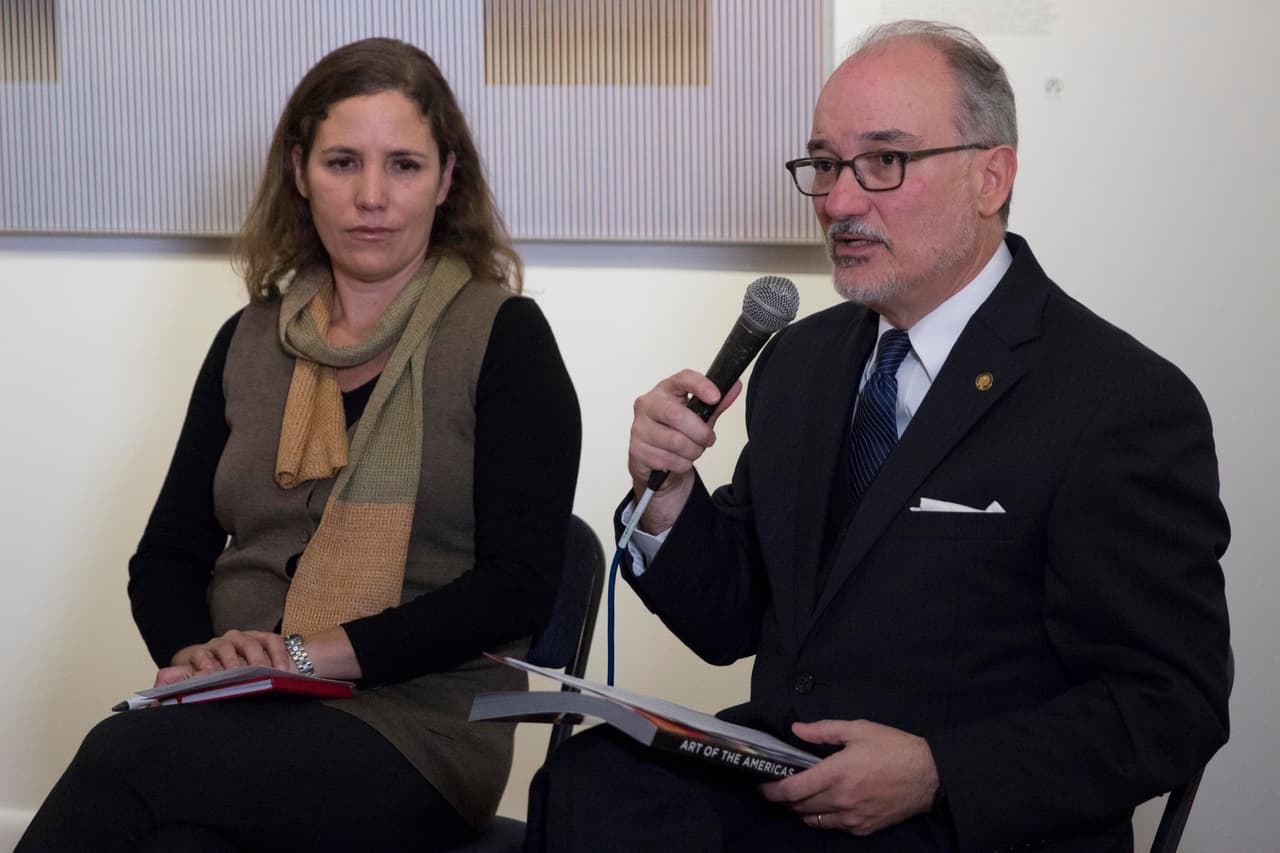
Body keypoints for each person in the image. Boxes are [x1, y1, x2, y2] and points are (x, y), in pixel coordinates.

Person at [526, 20, 1230, 853]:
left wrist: (937, 769)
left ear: (990, 175)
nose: (841, 201)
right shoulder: (803, 362)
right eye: (826, 165)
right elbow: (736, 618)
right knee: (587, 787)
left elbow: (1169, 704)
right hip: (786, 782)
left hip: (964, 821)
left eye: (885, 162)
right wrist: (671, 499)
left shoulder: (1118, 399)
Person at [18, 37, 580, 851]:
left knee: (125, 758)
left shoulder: (506, 339)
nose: (373, 196)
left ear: (447, 177)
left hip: (417, 731)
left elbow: (517, 587)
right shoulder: (247, 340)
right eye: (344, 162)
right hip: (234, 708)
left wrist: (307, 655)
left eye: (405, 165)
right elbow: (169, 553)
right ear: (298, 170)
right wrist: (203, 653)